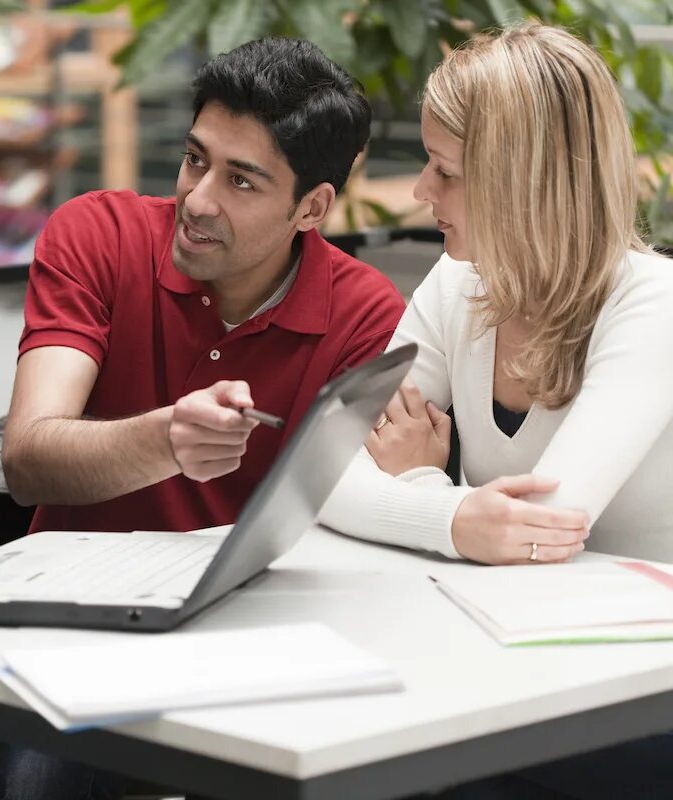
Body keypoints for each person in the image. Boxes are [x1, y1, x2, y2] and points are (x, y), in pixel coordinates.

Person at [0, 37, 406, 800]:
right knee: (37, 782)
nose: (198, 198)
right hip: (77, 634)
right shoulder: (97, 235)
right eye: (195, 159)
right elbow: (28, 458)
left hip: (256, 646)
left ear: (312, 208)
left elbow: (349, 526)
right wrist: (164, 440)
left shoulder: (365, 315)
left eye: (241, 181)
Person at [316, 22, 673, 799]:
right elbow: (323, 474)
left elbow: (543, 533)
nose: (420, 193)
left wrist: (415, 488)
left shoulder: (653, 306)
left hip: (639, 697)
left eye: (444, 171)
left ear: (523, 181)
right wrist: (452, 521)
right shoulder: (459, 287)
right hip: (503, 664)